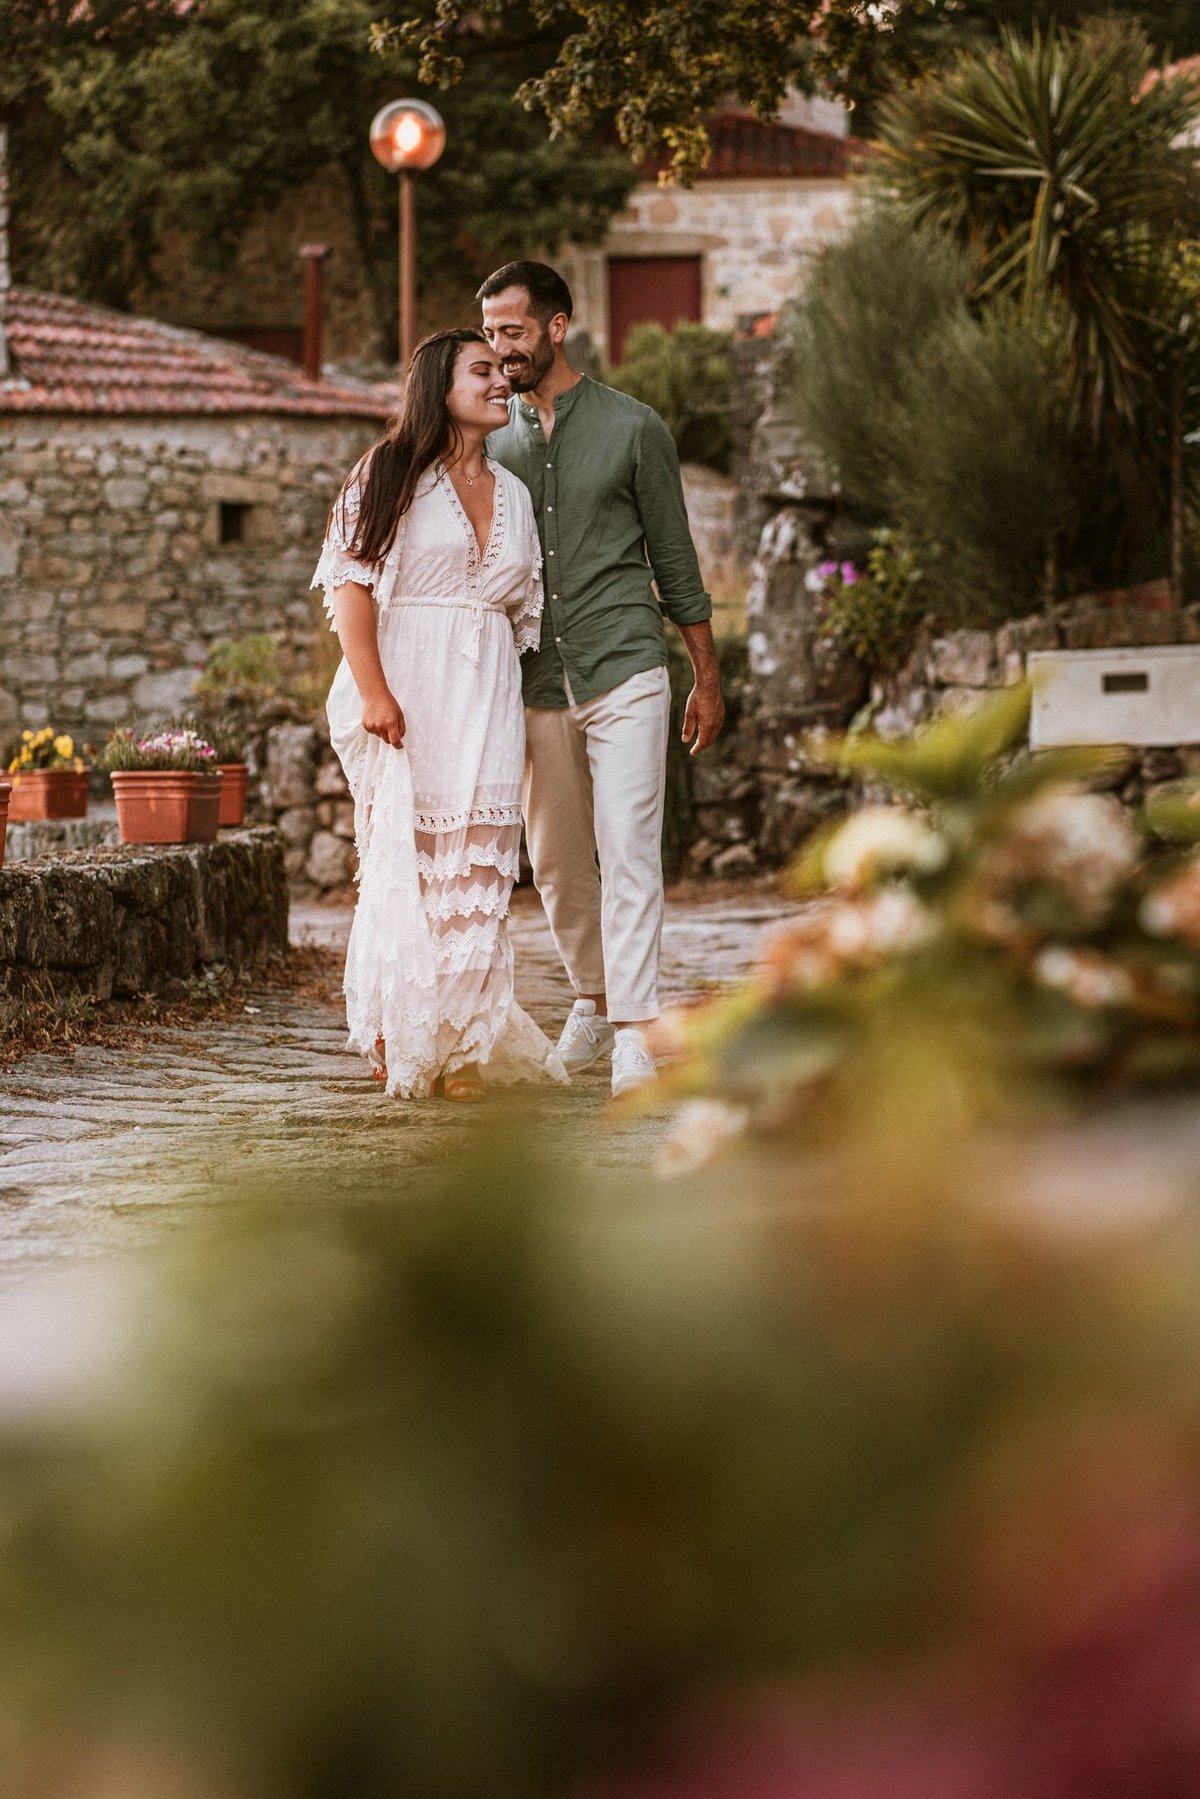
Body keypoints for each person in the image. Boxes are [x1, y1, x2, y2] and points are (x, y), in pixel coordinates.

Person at [479, 261, 725, 1097]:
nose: (499, 349)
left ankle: (632, 1031)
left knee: (628, 847)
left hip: (625, 664)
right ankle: (592, 996)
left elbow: (676, 557)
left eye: (512, 331)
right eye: (489, 335)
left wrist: (706, 673)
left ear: (556, 327)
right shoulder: (489, 442)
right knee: (554, 862)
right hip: (536, 678)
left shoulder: (633, 428)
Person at [311, 328, 568, 1100]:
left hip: (485, 694)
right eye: (481, 370)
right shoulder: (387, 472)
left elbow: (519, 616)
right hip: (404, 687)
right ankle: (403, 1026)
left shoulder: (516, 494)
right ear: (438, 386)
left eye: (502, 370)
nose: (501, 381)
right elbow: (349, 586)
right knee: (407, 864)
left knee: (480, 861)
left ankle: (462, 1047)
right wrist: (376, 691)